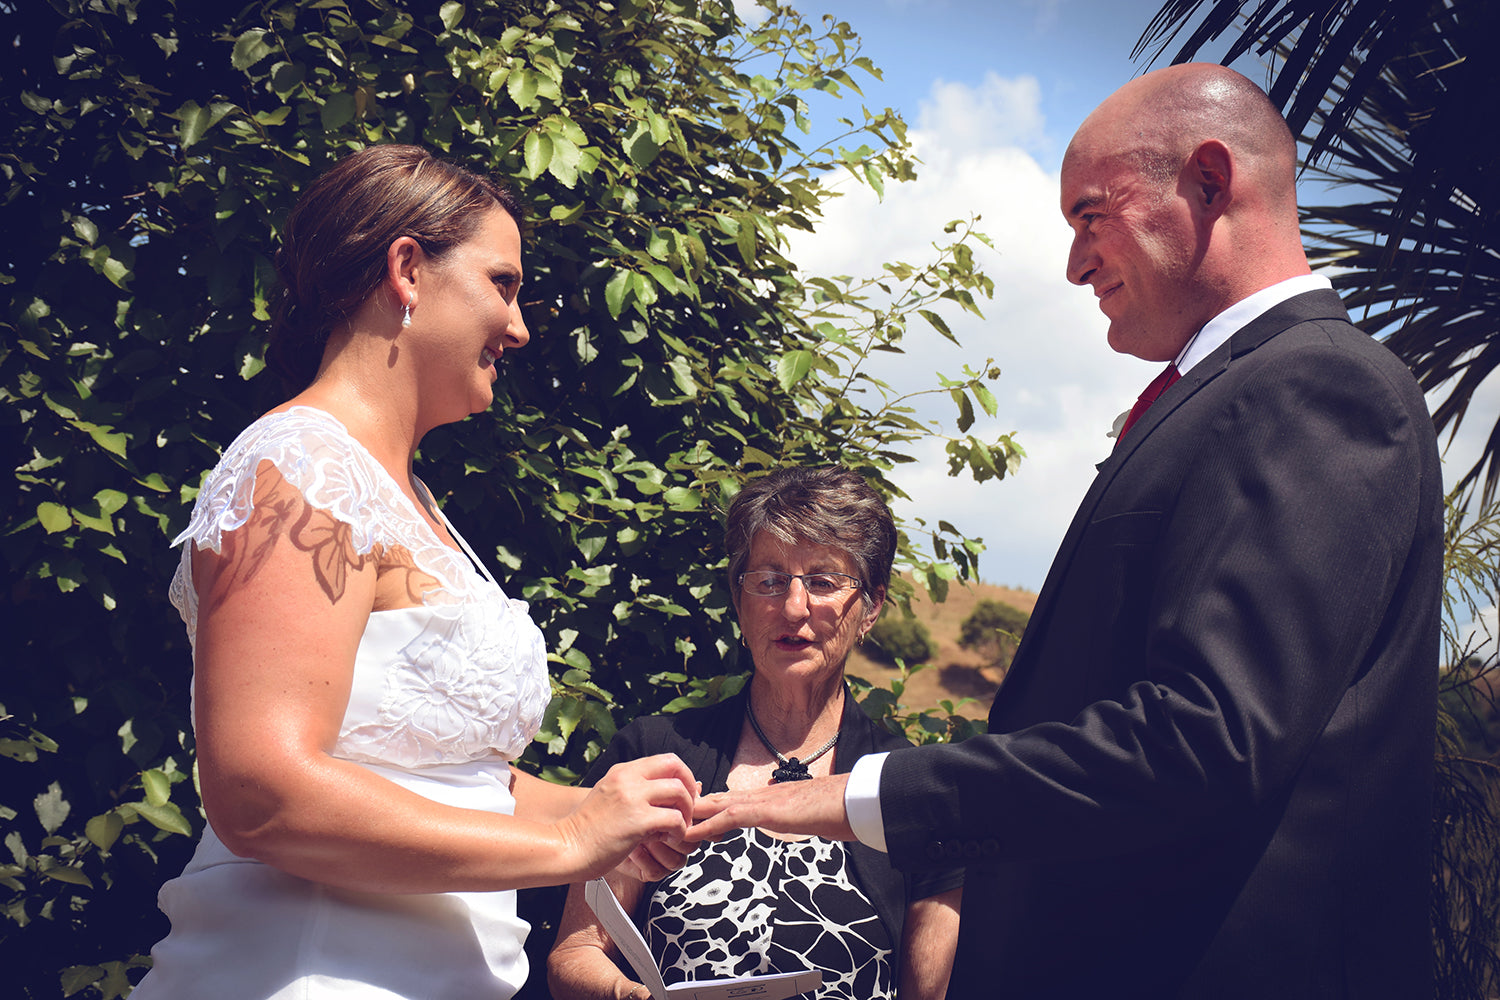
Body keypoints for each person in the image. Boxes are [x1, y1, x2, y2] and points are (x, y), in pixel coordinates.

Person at [689, 63, 1442, 999]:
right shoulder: (1220, 397)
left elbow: (1211, 737)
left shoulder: (1318, 386)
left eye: (1091, 216)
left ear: (1211, 181)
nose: (1076, 263)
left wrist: (861, 795)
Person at [132, 144, 697, 1000]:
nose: (519, 327)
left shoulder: (410, 499)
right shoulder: (299, 470)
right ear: (408, 268)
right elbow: (261, 790)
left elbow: (444, 775)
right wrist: (569, 844)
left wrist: (610, 815)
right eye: (502, 285)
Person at [547, 466, 963, 1000]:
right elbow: (574, 953)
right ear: (739, 600)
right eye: (769, 580)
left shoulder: (911, 792)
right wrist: (624, 996)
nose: (793, 607)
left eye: (823, 581)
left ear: (871, 608)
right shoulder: (652, 754)